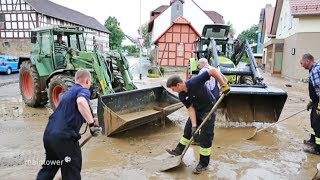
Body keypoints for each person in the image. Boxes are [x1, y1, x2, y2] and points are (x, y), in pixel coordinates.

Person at [36, 69, 102, 180]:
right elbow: (81, 101)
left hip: (49, 135)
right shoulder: (83, 91)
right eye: (90, 82)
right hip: (64, 138)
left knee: (49, 168)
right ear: (86, 81)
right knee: (72, 171)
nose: (90, 85)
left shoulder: (67, 94)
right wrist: (92, 125)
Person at [165, 68, 230, 174]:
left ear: (178, 85)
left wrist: (223, 85)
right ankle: (178, 151)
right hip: (197, 111)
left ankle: (203, 164)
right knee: (188, 131)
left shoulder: (195, 81)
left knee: (206, 137)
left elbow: (212, 71)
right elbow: (190, 109)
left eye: (173, 89)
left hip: (209, 110)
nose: (173, 91)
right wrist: (194, 126)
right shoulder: (181, 95)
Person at [300, 53, 320, 155]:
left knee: (317, 124)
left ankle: (318, 149)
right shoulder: (313, 69)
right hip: (317, 101)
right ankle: (312, 140)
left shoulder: (315, 70)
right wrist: (313, 102)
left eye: (302, 62)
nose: (301, 64)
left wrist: (319, 106)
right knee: (313, 121)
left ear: (308, 61)